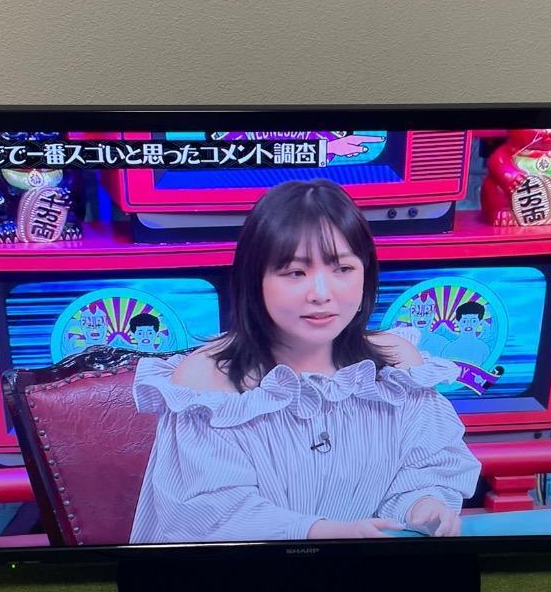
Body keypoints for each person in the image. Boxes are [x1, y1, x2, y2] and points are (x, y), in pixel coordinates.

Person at [129, 180, 481, 544]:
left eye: (342, 269)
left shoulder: (397, 366)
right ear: (254, 280)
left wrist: (424, 504)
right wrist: (324, 533)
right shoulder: (206, 383)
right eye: (295, 273)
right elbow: (209, 515)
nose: (321, 294)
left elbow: (427, 466)